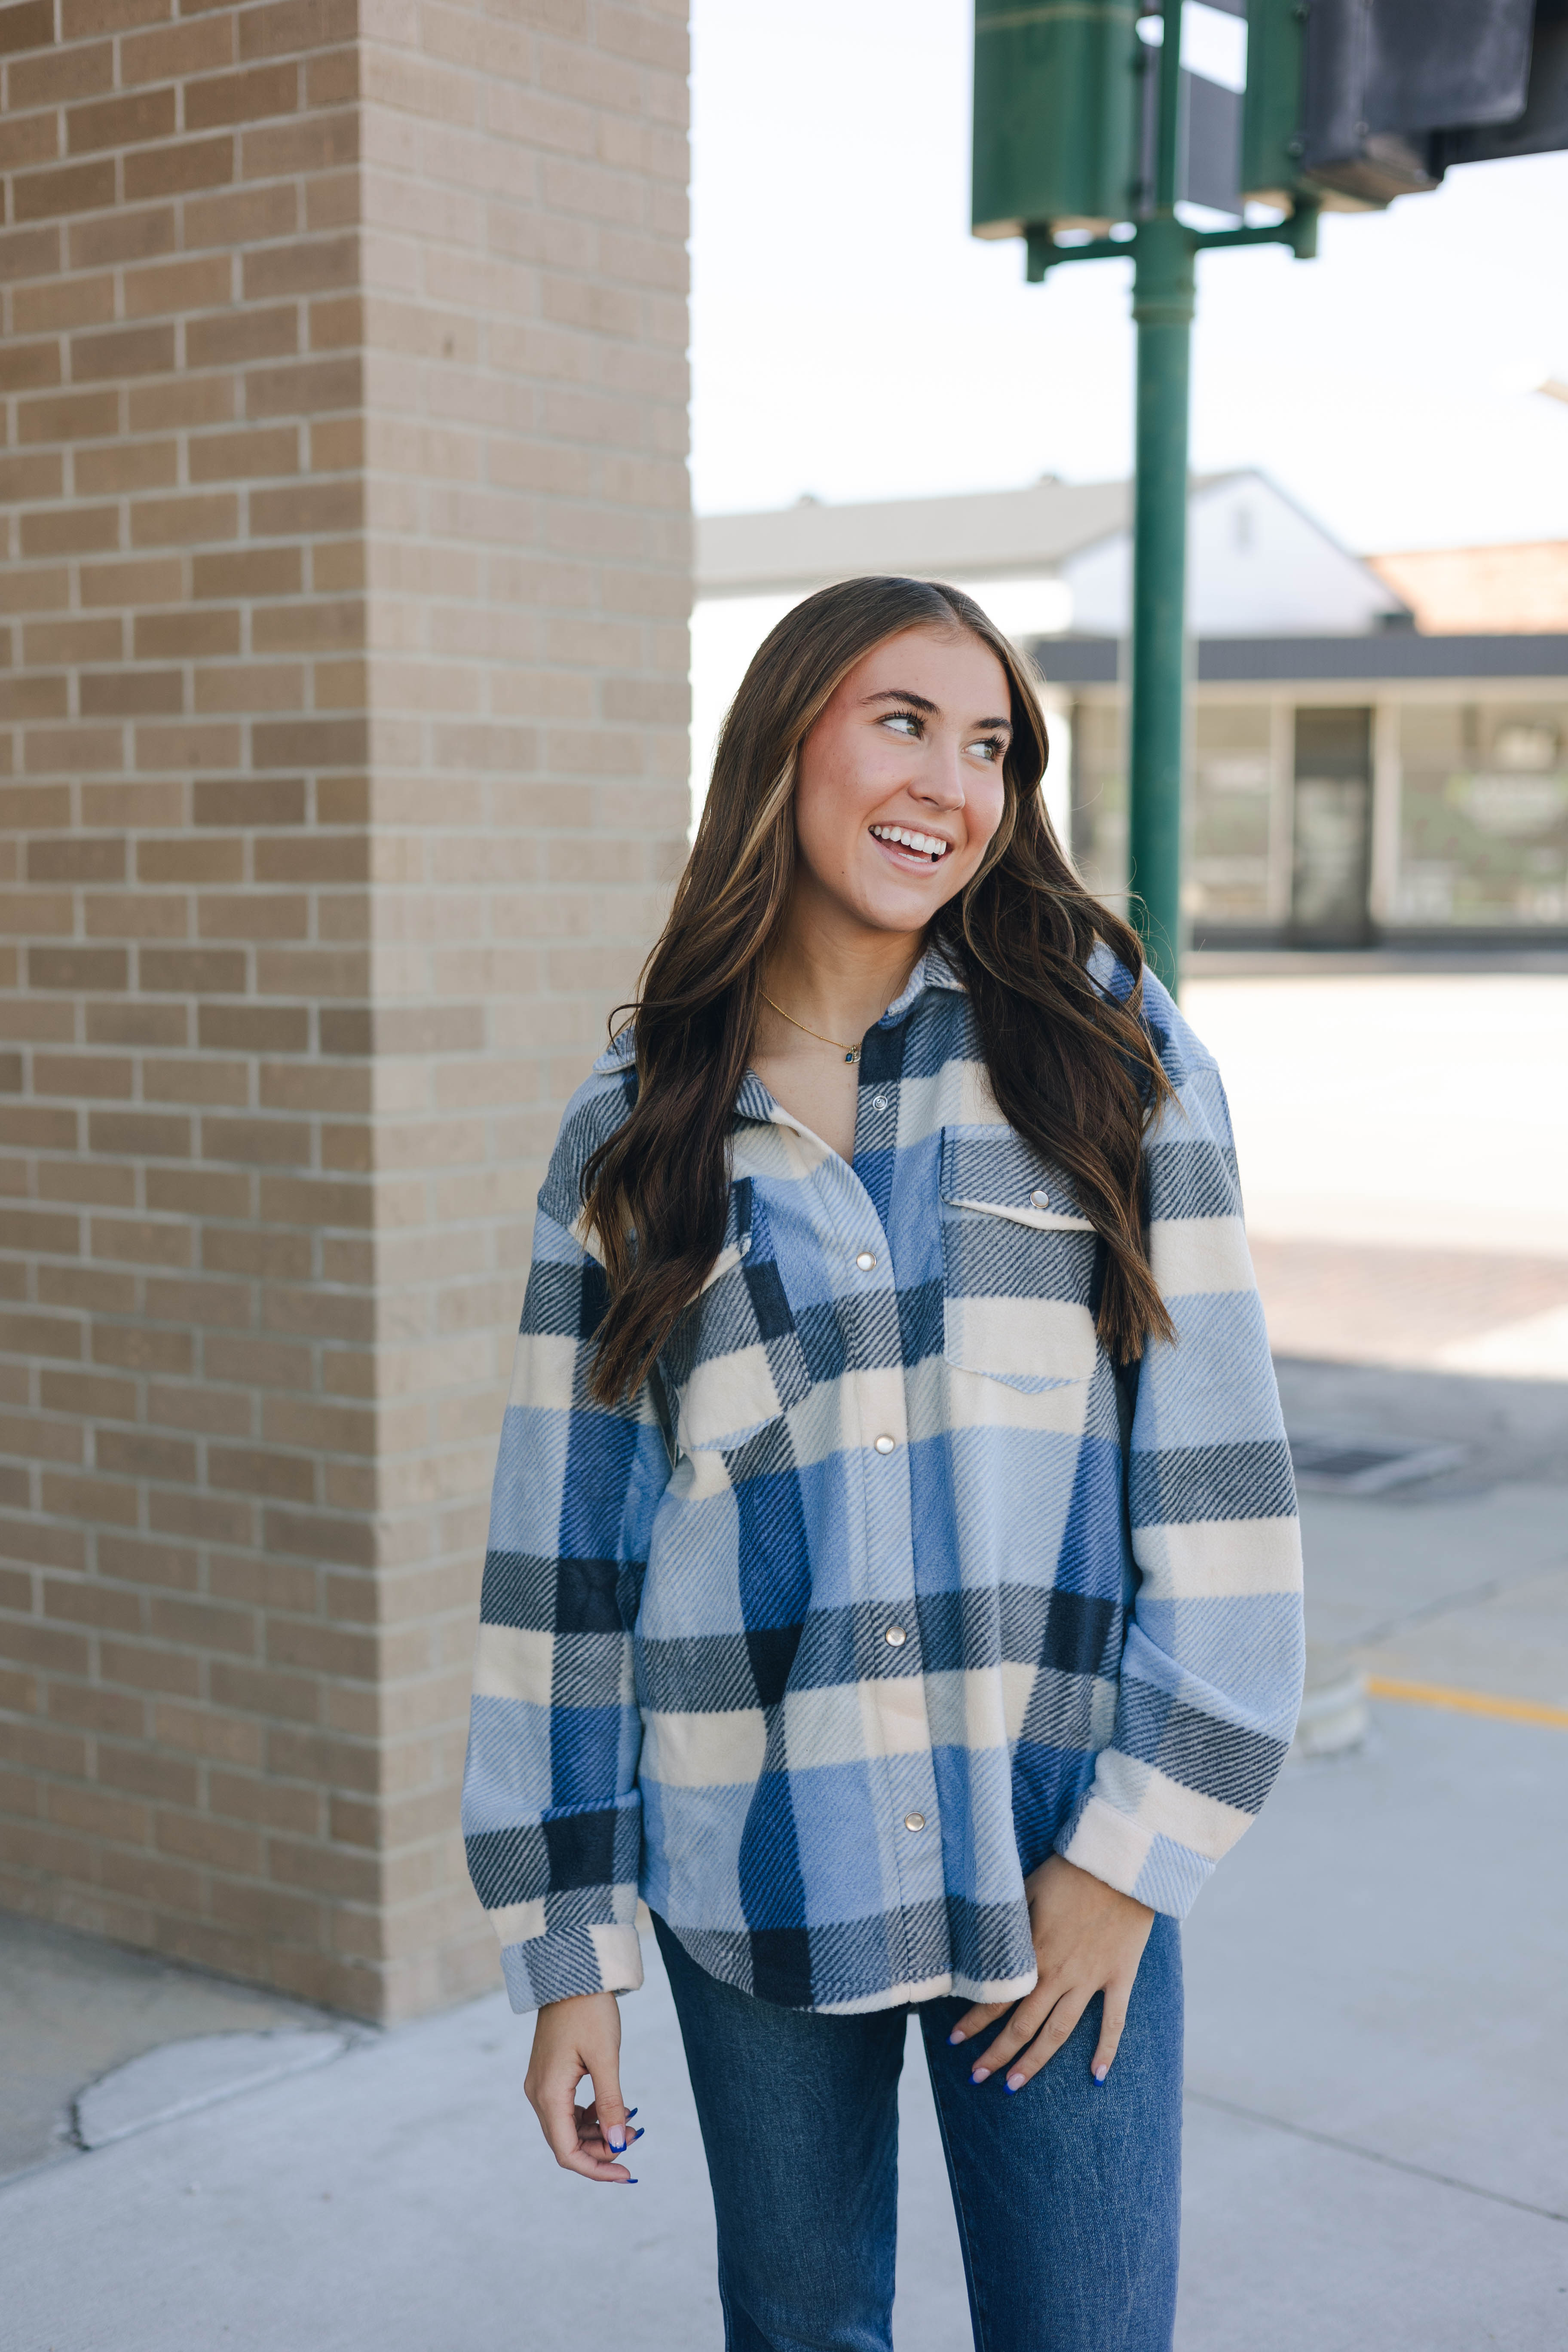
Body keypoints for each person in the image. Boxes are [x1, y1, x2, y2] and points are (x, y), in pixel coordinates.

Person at [461, 576, 1304, 2352]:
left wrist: (1130, 1860)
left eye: (990, 743)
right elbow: (568, 1563)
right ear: (785, 742)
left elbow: (1218, 1483)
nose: (954, 782)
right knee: (798, 2330)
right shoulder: (636, 1132)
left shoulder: (1105, 1054)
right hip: (749, 1860)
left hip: (1052, 1848)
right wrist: (572, 1962)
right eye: (902, 721)